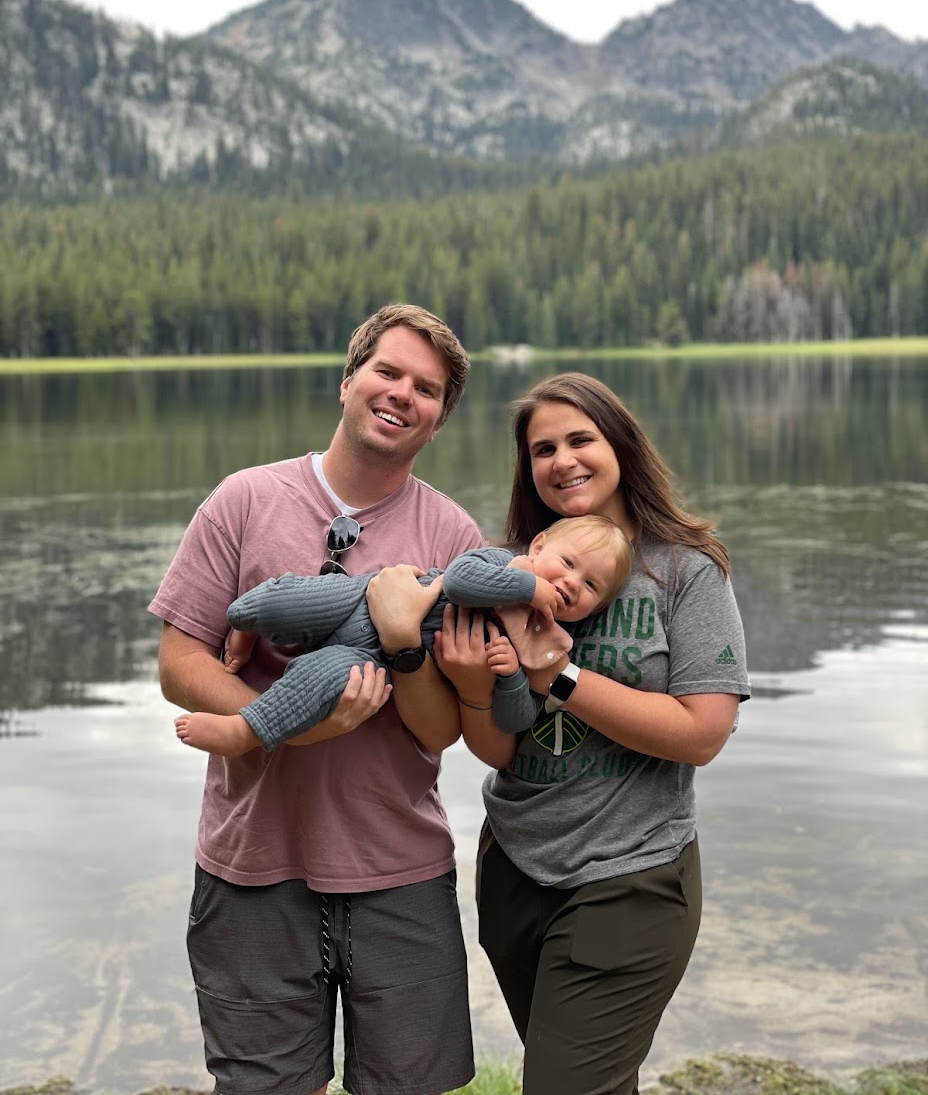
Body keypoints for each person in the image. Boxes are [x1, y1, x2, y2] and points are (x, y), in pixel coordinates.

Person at [150, 303, 485, 1095]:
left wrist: (402, 647)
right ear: (348, 380)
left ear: (437, 421)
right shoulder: (243, 500)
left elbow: (442, 733)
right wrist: (282, 727)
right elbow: (177, 659)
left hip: (398, 869)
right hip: (252, 867)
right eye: (388, 372)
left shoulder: (455, 538)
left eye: (427, 390)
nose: (403, 394)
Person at [432, 371, 751, 1095]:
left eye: (581, 439)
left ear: (621, 446)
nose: (563, 460)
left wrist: (561, 678)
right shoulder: (514, 575)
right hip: (515, 865)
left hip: (632, 874)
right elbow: (498, 750)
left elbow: (703, 734)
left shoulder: (686, 572)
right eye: (543, 448)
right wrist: (478, 690)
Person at [173, 514, 632, 757]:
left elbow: (515, 722)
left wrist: (511, 678)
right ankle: (243, 621)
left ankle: (246, 729)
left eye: (589, 586)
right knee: (283, 603)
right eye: (568, 564)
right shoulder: (500, 564)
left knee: (328, 677)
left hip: (373, 654)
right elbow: (458, 583)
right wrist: (529, 585)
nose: (571, 583)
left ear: (596, 606)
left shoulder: (539, 642)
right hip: (360, 598)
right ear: (538, 547)